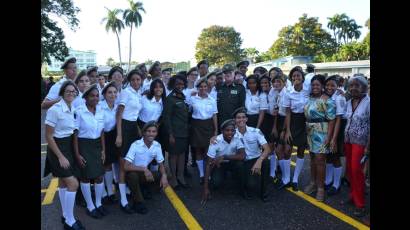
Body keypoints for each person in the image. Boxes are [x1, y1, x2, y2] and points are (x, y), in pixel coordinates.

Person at [43, 81, 85, 230]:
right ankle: (70, 220)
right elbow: (48, 136)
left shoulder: (72, 107)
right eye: (68, 91)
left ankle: (65, 215)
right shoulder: (55, 109)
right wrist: (60, 156)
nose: (71, 93)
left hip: (68, 146)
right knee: (73, 183)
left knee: (62, 182)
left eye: (73, 91)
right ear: (61, 93)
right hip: (57, 149)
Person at [73, 84, 107, 219]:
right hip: (84, 145)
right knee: (86, 177)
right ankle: (90, 205)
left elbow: (102, 131)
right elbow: (74, 135)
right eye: (92, 95)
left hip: (97, 145)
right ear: (85, 97)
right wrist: (77, 154)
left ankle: (98, 203)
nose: (95, 98)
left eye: (97, 95)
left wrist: (104, 150)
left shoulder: (101, 110)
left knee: (99, 176)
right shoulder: (79, 111)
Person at [340, 75, 370, 217]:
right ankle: (353, 195)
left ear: (363, 87)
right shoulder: (349, 101)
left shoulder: (368, 102)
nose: (353, 88)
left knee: (357, 172)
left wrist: (368, 146)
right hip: (349, 140)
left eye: (357, 86)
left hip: (361, 142)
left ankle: (360, 204)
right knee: (350, 171)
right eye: (351, 85)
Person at [124, 121, 170, 214]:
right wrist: (144, 169)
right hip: (133, 172)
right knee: (133, 176)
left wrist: (164, 176)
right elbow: (126, 166)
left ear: (156, 133)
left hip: (144, 174)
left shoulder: (157, 145)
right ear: (144, 132)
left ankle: (144, 189)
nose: (151, 134)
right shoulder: (135, 145)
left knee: (166, 174)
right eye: (148, 131)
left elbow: (161, 165)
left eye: (154, 131)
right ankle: (138, 202)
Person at [303, 75, 336, 202]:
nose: (315, 87)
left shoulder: (327, 100)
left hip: (322, 131)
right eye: (313, 85)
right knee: (312, 158)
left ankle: (321, 188)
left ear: (322, 86)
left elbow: (332, 120)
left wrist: (329, 137)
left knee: (320, 160)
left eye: (317, 85)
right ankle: (313, 183)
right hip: (310, 131)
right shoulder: (310, 98)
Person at [115, 69, 143, 213]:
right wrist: (119, 135)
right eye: (133, 80)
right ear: (129, 81)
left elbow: (134, 114)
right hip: (124, 128)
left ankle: (130, 191)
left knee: (132, 162)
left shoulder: (138, 94)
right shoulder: (126, 92)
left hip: (133, 129)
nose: (136, 82)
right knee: (123, 165)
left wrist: (138, 128)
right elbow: (119, 114)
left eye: (138, 79)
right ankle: (123, 200)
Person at [201, 119, 246, 204]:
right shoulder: (215, 141)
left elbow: (243, 156)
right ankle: (221, 177)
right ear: (222, 131)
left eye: (232, 130)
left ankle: (242, 188)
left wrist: (224, 156)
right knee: (216, 183)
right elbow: (208, 164)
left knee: (241, 165)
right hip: (219, 164)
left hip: (231, 162)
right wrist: (205, 188)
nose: (230, 133)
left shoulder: (237, 138)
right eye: (227, 130)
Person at [233, 108, 271, 201]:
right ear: (234, 120)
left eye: (243, 117)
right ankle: (243, 189)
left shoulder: (256, 131)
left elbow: (267, 149)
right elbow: (220, 140)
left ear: (247, 119)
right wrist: (213, 138)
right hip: (243, 161)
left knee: (266, 161)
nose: (241, 120)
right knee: (250, 184)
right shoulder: (231, 133)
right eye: (238, 118)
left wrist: (259, 160)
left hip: (256, 159)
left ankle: (264, 192)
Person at [187, 77, 218, 184]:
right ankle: (201, 174)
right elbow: (188, 111)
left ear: (208, 87)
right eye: (201, 87)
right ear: (198, 88)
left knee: (208, 151)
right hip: (196, 126)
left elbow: (214, 115)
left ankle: (207, 174)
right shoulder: (192, 99)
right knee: (198, 150)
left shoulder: (212, 100)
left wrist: (216, 130)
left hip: (208, 126)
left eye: (205, 86)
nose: (203, 88)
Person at [283, 66, 309, 191]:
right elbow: (287, 112)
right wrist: (287, 130)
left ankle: (295, 179)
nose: (296, 78)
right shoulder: (288, 92)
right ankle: (287, 178)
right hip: (292, 122)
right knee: (287, 151)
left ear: (302, 77)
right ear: (291, 78)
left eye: (298, 75)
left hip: (305, 122)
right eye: (293, 76)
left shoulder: (308, 91)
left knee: (300, 152)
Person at [162, 74, 190, 188]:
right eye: (178, 84)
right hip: (175, 132)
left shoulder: (182, 97)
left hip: (184, 132)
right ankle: (173, 178)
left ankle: (180, 176)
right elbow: (166, 118)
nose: (180, 86)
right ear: (172, 84)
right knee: (173, 155)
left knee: (182, 154)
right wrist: (170, 134)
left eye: (182, 84)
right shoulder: (170, 99)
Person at [324, 75, 347, 196]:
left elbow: (339, 119)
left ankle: (336, 184)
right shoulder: (328, 96)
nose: (329, 87)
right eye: (327, 85)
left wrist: (333, 138)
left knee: (335, 156)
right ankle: (328, 180)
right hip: (329, 127)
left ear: (337, 86)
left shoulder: (339, 98)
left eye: (332, 85)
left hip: (338, 128)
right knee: (329, 156)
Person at [99, 82, 120, 204]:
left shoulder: (118, 106)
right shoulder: (100, 106)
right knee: (104, 163)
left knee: (113, 161)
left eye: (114, 92)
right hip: (102, 136)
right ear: (104, 94)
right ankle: (105, 192)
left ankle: (111, 189)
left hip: (114, 136)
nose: (112, 95)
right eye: (109, 92)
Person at [271, 74, 290, 187]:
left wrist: (284, 130)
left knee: (285, 150)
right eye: (274, 82)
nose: (276, 84)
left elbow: (288, 113)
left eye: (279, 81)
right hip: (280, 122)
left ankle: (286, 178)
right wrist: (275, 127)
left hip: (287, 123)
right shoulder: (278, 94)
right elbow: (277, 111)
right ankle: (285, 177)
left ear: (284, 82)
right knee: (280, 151)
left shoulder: (286, 93)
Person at [259, 75, 278, 180]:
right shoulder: (261, 94)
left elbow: (275, 111)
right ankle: (264, 169)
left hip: (272, 120)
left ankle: (272, 172)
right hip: (263, 120)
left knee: (271, 148)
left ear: (270, 83)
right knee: (263, 147)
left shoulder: (274, 93)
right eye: (262, 83)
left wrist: (274, 127)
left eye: (266, 83)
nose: (264, 85)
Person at [216, 64, 245, 130]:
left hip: (234, 122)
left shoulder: (240, 88)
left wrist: (239, 122)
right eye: (225, 73)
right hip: (220, 121)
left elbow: (242, 106)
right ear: (223, 75)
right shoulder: (218, 87)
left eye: (230, 72)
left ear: (234, 73)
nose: (228, 74)